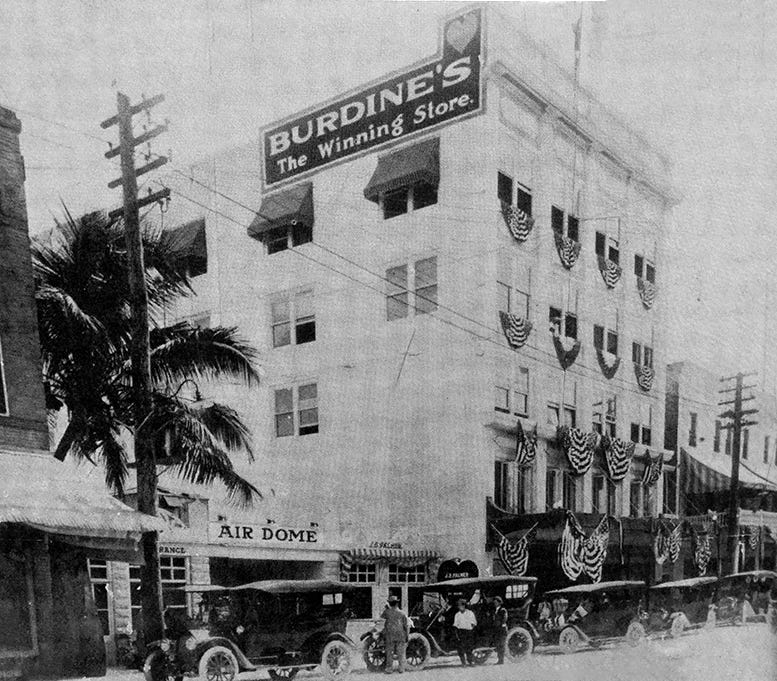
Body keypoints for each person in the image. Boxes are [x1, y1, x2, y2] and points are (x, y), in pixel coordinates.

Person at [381, 594, 409, 674]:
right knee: (401, 653)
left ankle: (389, 668)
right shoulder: (402, 613)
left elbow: (381, 619)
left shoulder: (386, 612)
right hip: (400, 635)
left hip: (390, 635)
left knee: (389, 652)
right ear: (397, 603)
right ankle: (401, 668)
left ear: (389, 603)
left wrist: (386, 608)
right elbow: (405, 626)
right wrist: (407, 636)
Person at [453, 598, 477, 666]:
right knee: (460, 648)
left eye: (460, 605)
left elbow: (474, 623)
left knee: (469, 648)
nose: (459, 607)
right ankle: (463, 662)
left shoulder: (470, 613)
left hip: (468, 632)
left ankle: (471, 661)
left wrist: (470, 629)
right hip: (461, 632)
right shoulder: (457, 614)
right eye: (458, 606)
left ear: (464, 606)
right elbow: (455, 625)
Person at [491, 596, 508, 664]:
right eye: (494, 602)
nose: (495, 604)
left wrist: (501, 624)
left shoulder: (503, 610)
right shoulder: (495, 610)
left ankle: (501, 660)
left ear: (499, 603)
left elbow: (504, 618)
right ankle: (499, 659)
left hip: (502, 630)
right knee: (498, 645)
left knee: (501, 645)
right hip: (497, 629)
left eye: (496, 602)